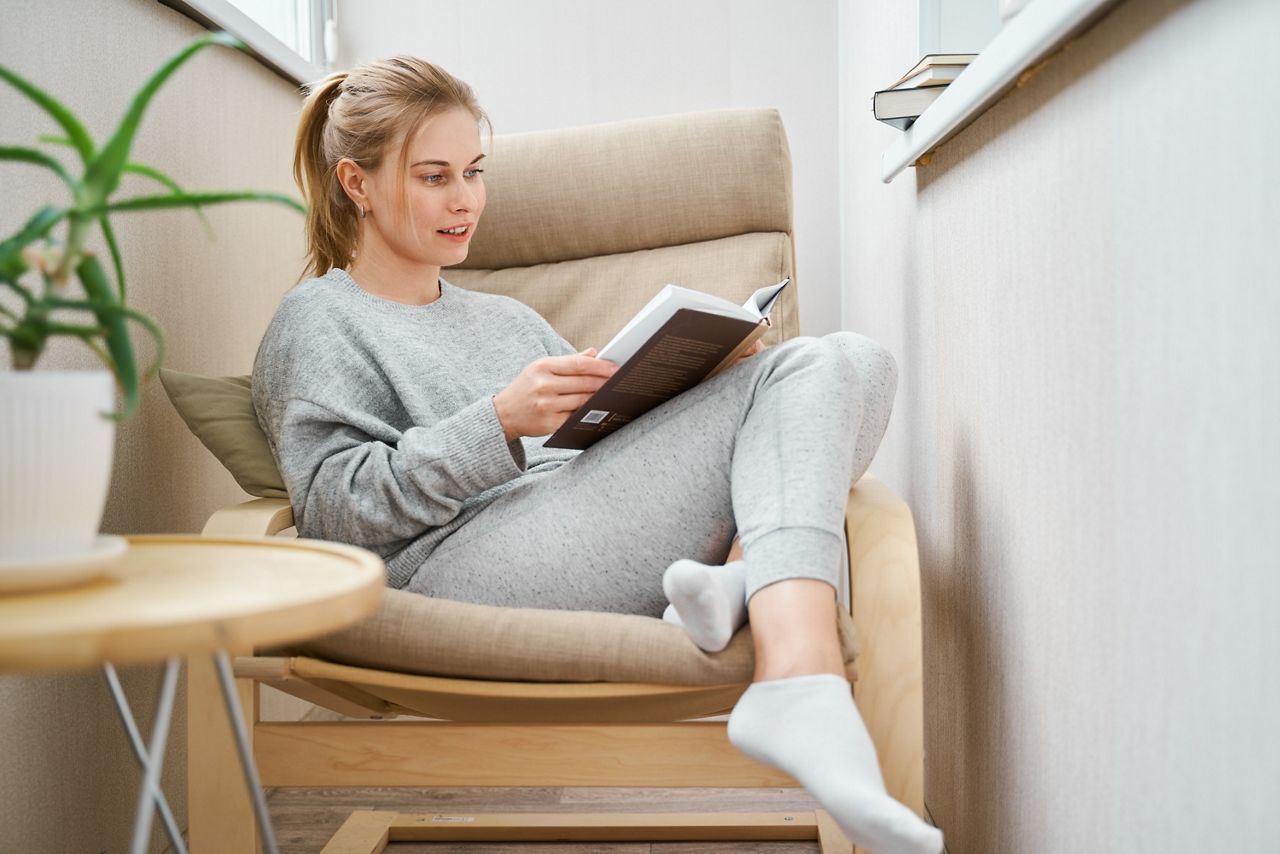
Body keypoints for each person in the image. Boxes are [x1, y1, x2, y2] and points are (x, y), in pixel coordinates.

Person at [252, 55, 944, 854]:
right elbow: (337, 515)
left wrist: (692, 380)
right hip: (455, 569)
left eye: (473, 172)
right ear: (356, 183)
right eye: (434, 176)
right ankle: (799, 672)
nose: (464, 201)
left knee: (858, 362)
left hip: (574, 517)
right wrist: (499, 424)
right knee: (817, 366)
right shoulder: (318, 322)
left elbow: (593, 443)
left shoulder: (503, 316)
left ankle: (743, 581)